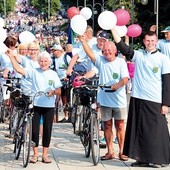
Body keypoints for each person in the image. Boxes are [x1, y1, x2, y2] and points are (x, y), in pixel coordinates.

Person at [111, 28, 170, 168]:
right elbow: (123, 48)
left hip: (155, 99)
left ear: (156, 42)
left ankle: (158, 159)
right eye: (147, 41)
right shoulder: (139, 55)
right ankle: (141, 158)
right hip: (137, 97)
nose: (150, 43)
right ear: (143, 42)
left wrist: (166, 104)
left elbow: (167, 83)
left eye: (152, 41)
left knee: (155, 131)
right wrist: (113, 28)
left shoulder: (163, 59)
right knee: (137, 128)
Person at [6, 50, 62, 164]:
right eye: (41, 61)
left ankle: (45, 155)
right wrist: (12, 58)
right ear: (38, 61)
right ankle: (35, 154)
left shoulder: (53, 74)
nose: (43, 63)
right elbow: (19, 70)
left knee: (47, 130)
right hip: (35, 104)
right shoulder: (34, 71)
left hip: (49, 106)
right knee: (34, 130)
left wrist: (53, 92)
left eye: (45, 61)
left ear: (49, 62)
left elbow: (59, 90)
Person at [79, 35, 129, 161]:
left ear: (115, 50)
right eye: (104, 50)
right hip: (105, 99)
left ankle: (122, 151)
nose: (107, 52)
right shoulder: (100, 61)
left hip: (119, 100)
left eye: (109, 50)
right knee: (107, 125)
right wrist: (83, 42)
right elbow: (90, 54)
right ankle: (110, 151)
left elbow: (125, 79)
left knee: (120, 126)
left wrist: (117, 85)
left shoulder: (120, 62)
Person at [51, 44, 71, 123]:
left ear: (59, 51)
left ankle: (66, 115)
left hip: (65, 80)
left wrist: (68, 76)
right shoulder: (52, 59)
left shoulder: (66, 58)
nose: (53, 52)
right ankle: (54, 117)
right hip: (56, 80)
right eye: (53, 50)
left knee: (65, 99)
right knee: (56, 98)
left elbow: (71, 67)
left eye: (55, 50)